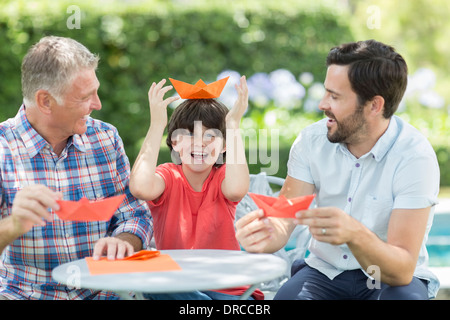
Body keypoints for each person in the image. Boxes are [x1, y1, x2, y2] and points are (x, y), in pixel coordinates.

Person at [235, 39, 440, 300]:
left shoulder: (414, 157)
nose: (322, 104)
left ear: (374, 105)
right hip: (325, 273)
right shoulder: (311, 141)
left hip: (386, 278)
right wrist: (264, 234)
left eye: (334, 96)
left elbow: (400, 270)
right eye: (325, 92)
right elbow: (284, 219)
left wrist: (354, 233)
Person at [0, 36, 152, 300]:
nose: (98, 104)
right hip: (24, 294)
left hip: (106, 294)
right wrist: (13, 225)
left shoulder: (105, 139)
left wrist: (123, 242)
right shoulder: (4, 148)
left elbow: (135, 215)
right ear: (45, 101)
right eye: (85, 97)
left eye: (96, 90)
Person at [129, 76, 263, 300]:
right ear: (173, 142)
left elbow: (237, 189)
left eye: (211, 136)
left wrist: (233, 125)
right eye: (189, 135)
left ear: (225, 146)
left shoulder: (222, 177)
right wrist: (156, 125)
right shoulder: (168, 176)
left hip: (227, 287)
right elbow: (140, 188)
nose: (200, 143)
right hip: (179, 285)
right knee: (152, 281)